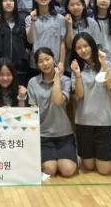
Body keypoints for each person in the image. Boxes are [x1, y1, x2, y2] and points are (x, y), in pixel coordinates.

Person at [70, 33, 111, 175]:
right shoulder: (76, 67)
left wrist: (104, 63)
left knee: (104, 170)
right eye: (79, 48)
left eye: (86, 46)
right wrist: (77, 74)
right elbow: (80, 95)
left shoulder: (108, 64)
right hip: (84, 121)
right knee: (88, 167)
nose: (83, 50)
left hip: (104, 121)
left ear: (92, 46)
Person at [27, 48, 77, 178]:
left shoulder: (65, 80)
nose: (45, 63)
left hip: (64, 134)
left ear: (53, 59)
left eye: (47, 59)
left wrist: (57, 77)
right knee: (50, 169)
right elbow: (32, 110)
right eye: (40, 61)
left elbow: (57, 101)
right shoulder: (32, 82)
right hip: (44, 135)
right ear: (37, 65)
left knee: (67, 170)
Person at [26, 0, 67, 74]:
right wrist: (33, 21)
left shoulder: (60, 18)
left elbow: (63, 42)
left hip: (55, 62)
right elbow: (30, 40)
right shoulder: (29, 18)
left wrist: (61, 62)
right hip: (36, 63)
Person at [64, 0, 103, 72]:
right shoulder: (64, 22)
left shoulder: (92, 23)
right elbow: (70, 46)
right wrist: (69, 26)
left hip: (91, 65)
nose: (75, 7)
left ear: (83, 5)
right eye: (72, 5)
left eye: (78, 4)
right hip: (72, 65)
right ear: (67, 7)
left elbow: (97, 46)